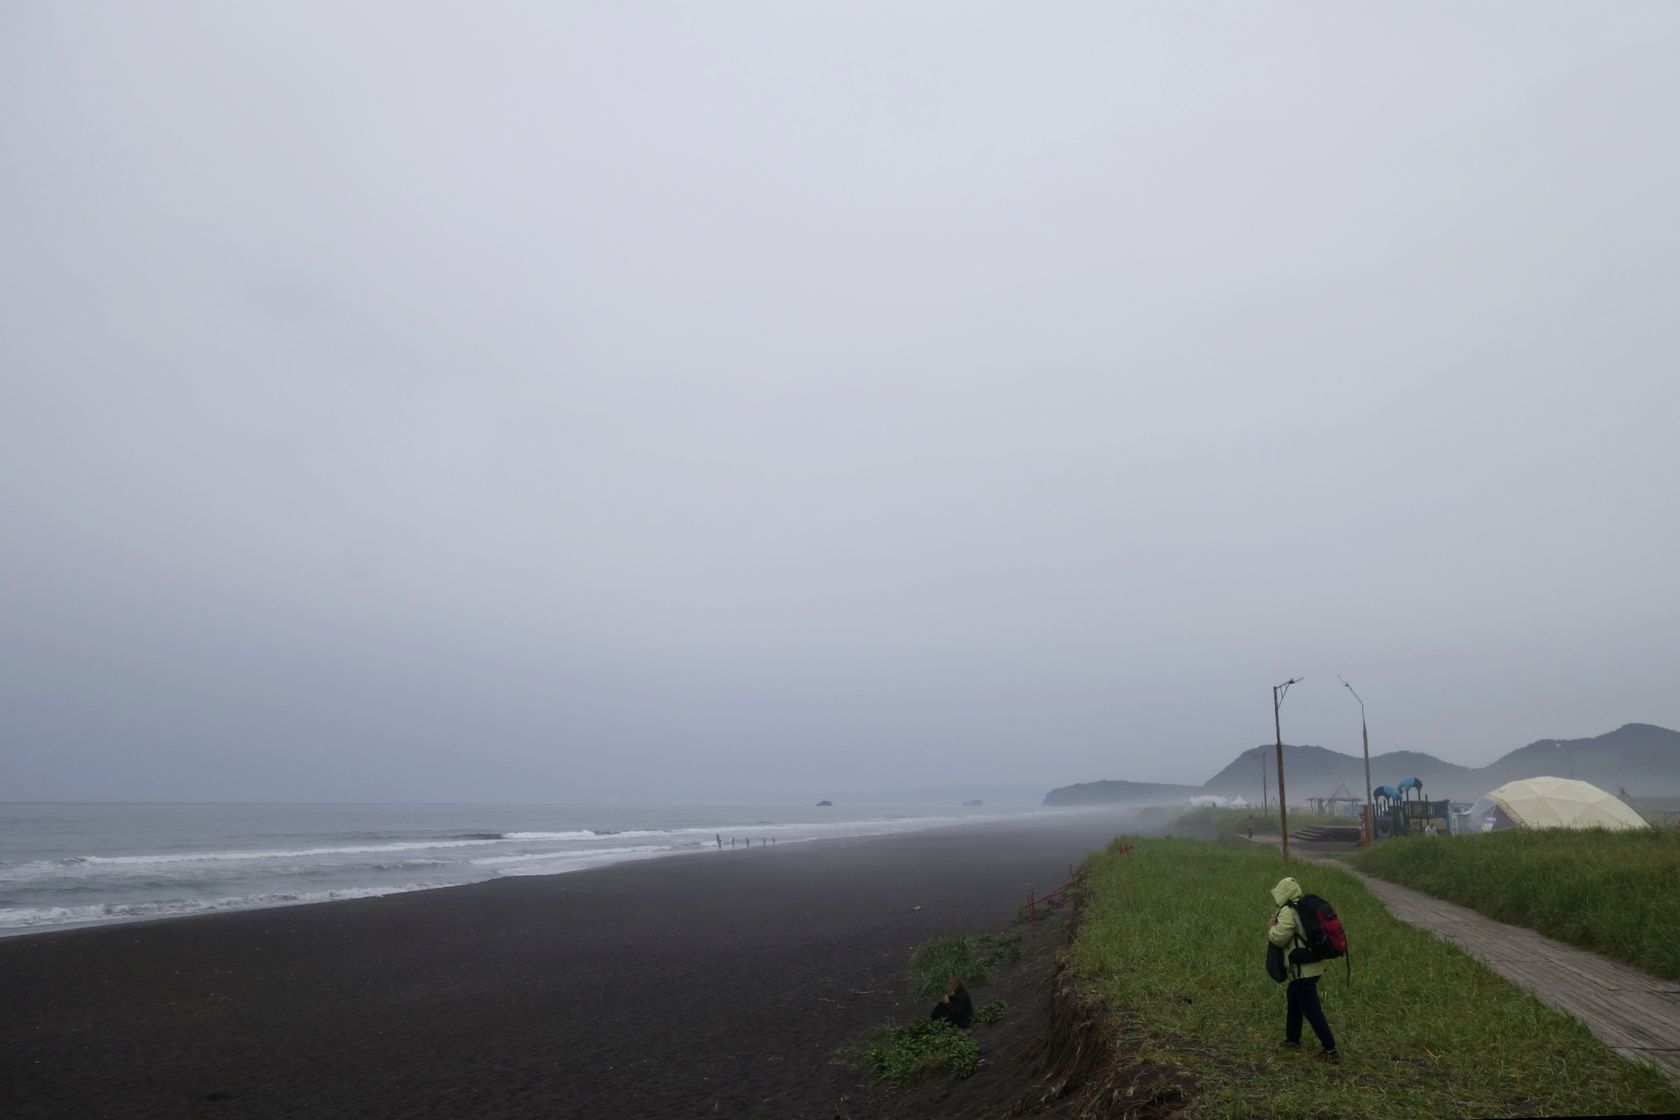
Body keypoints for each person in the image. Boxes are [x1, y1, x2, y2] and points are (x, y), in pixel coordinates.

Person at [1267, 876, 1339, 1062]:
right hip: (1314, 965)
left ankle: (1330, 1049)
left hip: (1302, 970)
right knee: (1293, 996)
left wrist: (1272, 927)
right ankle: (1293, 1038)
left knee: (1311, 1008)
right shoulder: (1305, 907)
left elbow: (1280, 938)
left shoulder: (1288, 911)